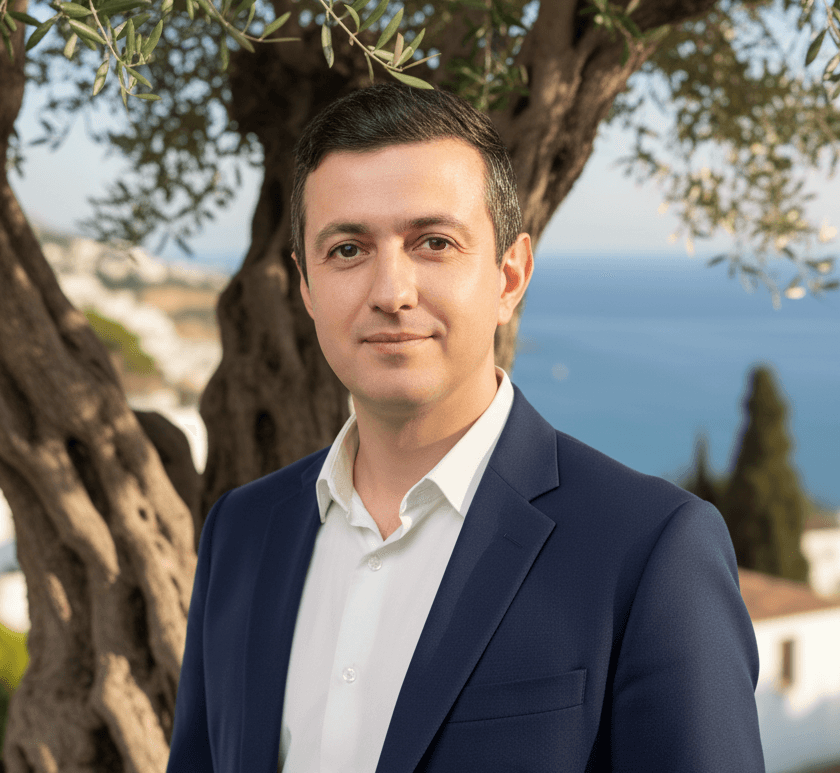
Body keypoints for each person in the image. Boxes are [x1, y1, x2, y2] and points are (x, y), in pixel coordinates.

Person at [166, 84, 766, 773]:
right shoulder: (241, 532)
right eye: (348, 249)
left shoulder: (650, 549)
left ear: (510, 277)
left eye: (434, 242)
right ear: (306, 287)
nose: (391, 292)